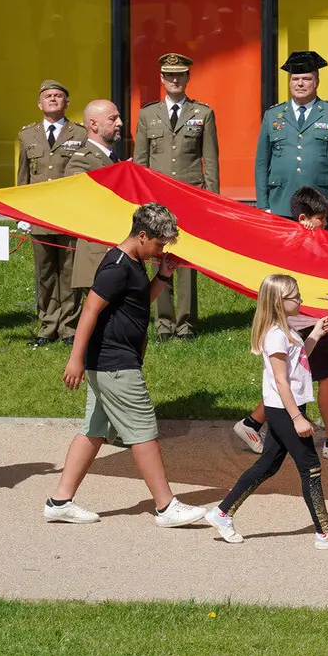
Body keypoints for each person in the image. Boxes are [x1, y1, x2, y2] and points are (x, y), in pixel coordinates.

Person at [43, 203, 207, 528]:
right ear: (142, 235)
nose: (160, 250)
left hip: (108, 362)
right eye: (159, 244)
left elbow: (135, 303)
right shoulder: (117, 266)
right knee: (143, 430)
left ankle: (60, 501)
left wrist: (162, 276)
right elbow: (89, 310)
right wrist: (75, 359)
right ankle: (165, 507)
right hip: (115, 364)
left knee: (93, 431)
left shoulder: (133, 261)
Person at [204, 274, 328, 549]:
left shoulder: (286, 329)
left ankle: (222, 513)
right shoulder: (276, 335)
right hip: (284, 411)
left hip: (286, 409)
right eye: (296, 296)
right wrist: (297, 417)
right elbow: (281, 380)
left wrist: (314, 334)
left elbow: (299, 359)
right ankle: (325, 532)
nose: (301, 300)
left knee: (267, 465)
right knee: (310, 467)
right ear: (279, 301)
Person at [232, 187, 328, 461]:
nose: (326, 223)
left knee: (301, 377)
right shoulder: (295, 245)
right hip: (304, 325)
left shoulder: (313, 243)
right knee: (326, 377)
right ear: (304, 218)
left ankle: (251, 424)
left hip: (311, 323)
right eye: (321, 218)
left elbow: (323, 286)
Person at [132, 52, 220, 341]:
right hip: (156, 198)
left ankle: (185, 324)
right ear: (161, 79)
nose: (174, 80)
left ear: (187, 78)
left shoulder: (203, 113)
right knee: (157, 256)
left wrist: (213, 200)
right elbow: (140, 161)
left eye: (180, 75)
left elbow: (210, 159)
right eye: (169, 75)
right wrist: (139, 200)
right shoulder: (147, 114)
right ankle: (164, 324)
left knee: (184, 260)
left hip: (190, 196)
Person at [16, 80, 89, 347]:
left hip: (69, 214)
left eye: (59, 96)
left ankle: (69, 327)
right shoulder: (27, 135)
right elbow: (23, 177)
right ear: (39, 103)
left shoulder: (80, 134)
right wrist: (21, 213)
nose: (53, 99)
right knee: (45, 272)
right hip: (39, 215)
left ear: (67, 102)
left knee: (69, 271)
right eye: (48, 96)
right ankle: (47, 325)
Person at [254, 50, 328, 233]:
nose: (300, 83)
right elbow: (262, 163)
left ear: (317, 82)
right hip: (281, 202)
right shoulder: (272, 115)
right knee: (283, 258)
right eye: (295, 79)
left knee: (321, 256)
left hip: (323, 204)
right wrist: (263, 203)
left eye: (307, 79)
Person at [67, 100, 119, 298]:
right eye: (113, 119)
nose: (120, 123)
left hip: (111, 251)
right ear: (94, 125)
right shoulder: (82, 158)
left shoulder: (111, 158)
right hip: (95, 255)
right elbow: (80, 199)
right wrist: (119, 177)